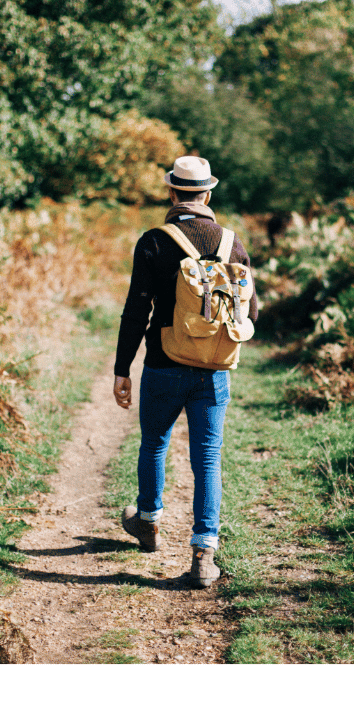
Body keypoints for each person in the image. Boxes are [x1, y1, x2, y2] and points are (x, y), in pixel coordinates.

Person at [112, 155, 258, 588]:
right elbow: (251, 309)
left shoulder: (154, 241)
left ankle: (148, 522)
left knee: (154, 443)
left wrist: (123, 368)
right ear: (208, 194)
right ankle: (203, 553)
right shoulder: (232, 243)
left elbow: (136, 310)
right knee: (207, 457)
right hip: (214, 370)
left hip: (163, 363)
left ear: (172, 193)